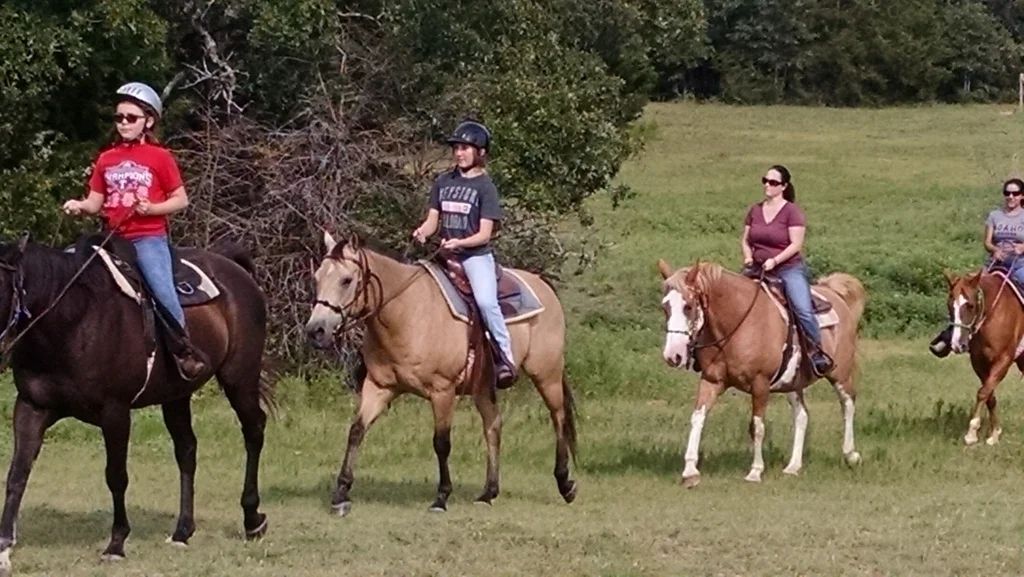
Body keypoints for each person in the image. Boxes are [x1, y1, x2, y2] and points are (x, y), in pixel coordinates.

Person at [62, 81, 210, 382]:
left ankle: (184, 351)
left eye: (131, 118)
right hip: (110, 238)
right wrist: (79, 205)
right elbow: (95, 202)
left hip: (147, 237)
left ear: (149, 121)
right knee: (64, 273)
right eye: (119, 118)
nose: (124, 124)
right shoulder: (106, 159)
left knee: (161, 289)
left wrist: (152, 209)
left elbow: (181, 199)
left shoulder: (160, 157)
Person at [412, 120, 517, 388]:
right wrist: (423, 232)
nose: (459, 153)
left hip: (474, 257)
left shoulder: (485, 187)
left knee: (485, 302)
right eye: (457, 148)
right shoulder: (443, 181)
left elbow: (485, 233)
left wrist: (460, 243)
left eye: (466, 148)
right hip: (445, 255)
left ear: (480, 152)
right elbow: (433, 220)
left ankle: (504, 357)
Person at [741, 164, 834, 376]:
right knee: (729, 300)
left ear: (783, 186)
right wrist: (748, 256)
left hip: (787, 269)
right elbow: (745, 240)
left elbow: (795, 245)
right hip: (756, 267)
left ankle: (816, 352)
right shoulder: (755, 210)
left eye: (773, 182)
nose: (767, 185)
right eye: (765, 180)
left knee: (802, 308)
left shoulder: (792, 212)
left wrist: (775, 261)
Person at [929, 178, 1024, 357]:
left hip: (1019, 264)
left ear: (1022, 196)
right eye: (1007, 193)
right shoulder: (995, 216)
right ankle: (949, 336)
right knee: (964, 293)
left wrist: (1022, 247)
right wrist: (994, 250)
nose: (1011, 197)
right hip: (996, 264)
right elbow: (987, 242)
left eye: (1015, 193)